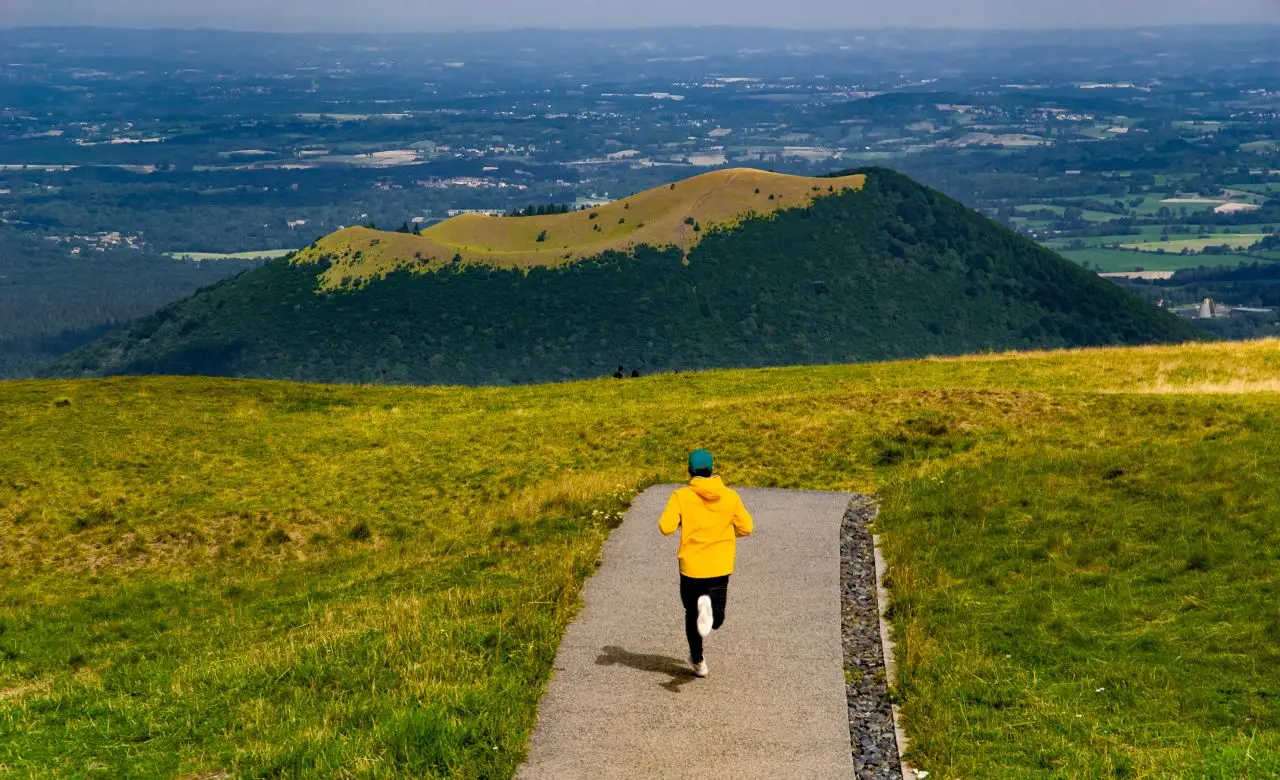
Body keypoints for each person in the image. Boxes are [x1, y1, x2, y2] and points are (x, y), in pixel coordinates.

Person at [658, 449, 753, 678]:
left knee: (691, 614)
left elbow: (665, 527)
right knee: (716, 618)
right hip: (720, 566)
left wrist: (682, 521)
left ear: (690, 471)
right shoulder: (730, 497)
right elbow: (746, 527)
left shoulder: (681, 496)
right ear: (712, 469)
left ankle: (698, 661)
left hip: (691, 569)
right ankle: (709, 612)